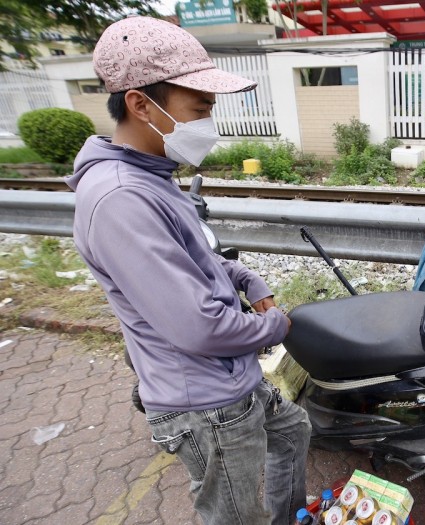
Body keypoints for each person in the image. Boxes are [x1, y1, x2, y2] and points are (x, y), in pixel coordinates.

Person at [65, 16, 311, 525]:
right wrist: (278, 326)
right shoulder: (121, 199)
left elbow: (195, 257)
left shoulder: (150, 175)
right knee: (236, 516)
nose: (209, 124)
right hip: (205, 403)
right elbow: (203, 327)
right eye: (199, 109)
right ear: (140, 104)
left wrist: (246, 279)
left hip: (227, 379)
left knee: (292, 431)